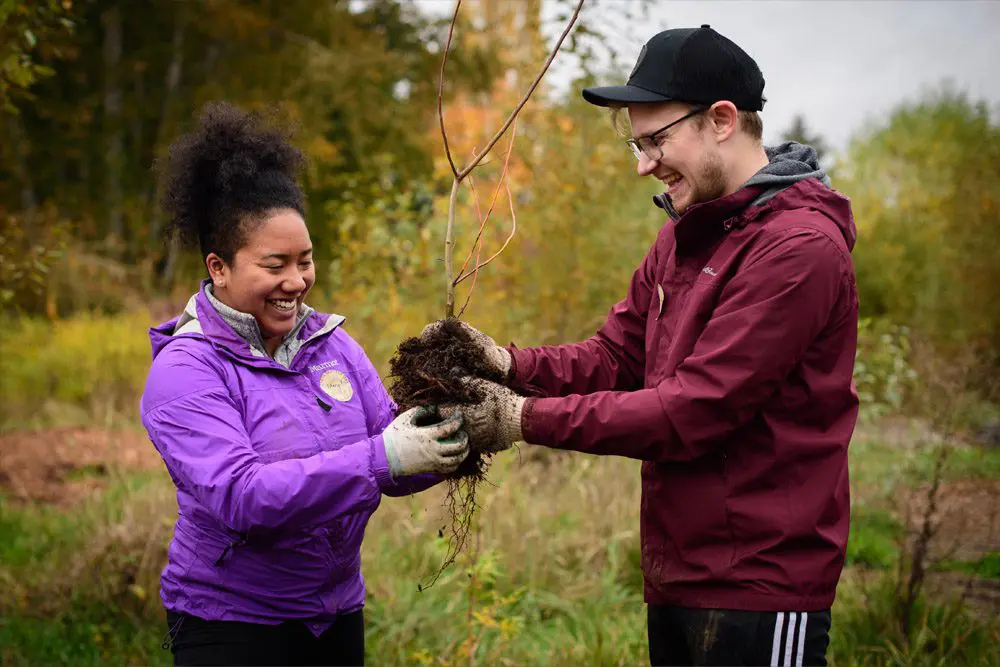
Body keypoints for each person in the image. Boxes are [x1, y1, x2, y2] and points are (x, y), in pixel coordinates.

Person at [425, 25, 858, 667]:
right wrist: (508, 364)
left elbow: (693, 410)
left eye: (656, 140)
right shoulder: (685, 237)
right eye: (636, 142)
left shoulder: (798, 250)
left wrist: (519, 419)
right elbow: (615, 359)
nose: (643, 164)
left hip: (761, 587)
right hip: (679, 574)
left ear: (721, 119)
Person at [141, 102, 469, 666]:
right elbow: (243, 497)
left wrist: (455, 436)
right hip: (233, 624)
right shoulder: (186, 370)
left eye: (306, 260)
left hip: (336, 616)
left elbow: (391, 454)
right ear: (219, 267)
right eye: (275, 265)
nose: (296, 281)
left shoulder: (331, 345)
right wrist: (383, 457)